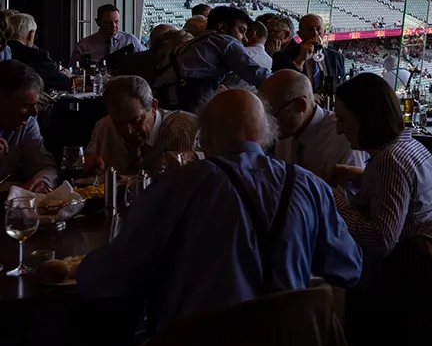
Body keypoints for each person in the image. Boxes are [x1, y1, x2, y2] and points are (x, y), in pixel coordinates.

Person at [77, 90, 362, 328]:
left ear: (206, 136)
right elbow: (348, 268)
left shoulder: (177, 186)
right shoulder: (309, 186)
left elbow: (111, 277)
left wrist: (80, 268)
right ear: (266, 135)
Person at [331, 73, 432, 286]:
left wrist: (332, 199)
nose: (338, 129)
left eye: (343, 119)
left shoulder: (390, 162)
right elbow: (404, 196)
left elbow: (379, 241)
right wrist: (362, 177)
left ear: (366, 118)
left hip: (392, 283)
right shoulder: (410, 147)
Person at [151, 6, 272, 112]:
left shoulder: (197, 41)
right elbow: (254, 72)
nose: (245, 39)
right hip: (185, 101)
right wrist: (278, 82)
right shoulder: (225, 41)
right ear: (223, 27)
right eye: (241, 31)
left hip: (165, 99)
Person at [259, 69, 365, 181]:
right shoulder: (285, 133)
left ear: (300, 105)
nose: (269, 124)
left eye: (274, 115)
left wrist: (313, 186)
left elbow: (353, 196)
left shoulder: (345, 138)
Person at [85, 76, 198, 176]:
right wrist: (88, 164)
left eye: (136, 121)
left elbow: (214, 163)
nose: (129, 131)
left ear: (153, 107)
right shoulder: (104, 127)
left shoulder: (189, 129)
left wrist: (192, 157)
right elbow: (87, 162)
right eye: (119, 124)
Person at [0, 61, 58, 192]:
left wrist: (42, 182)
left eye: (35, 104)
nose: (34, 112)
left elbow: (45, 166)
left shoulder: (26, 124)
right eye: (26, 106)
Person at [272, 13, 347, 93]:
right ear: (300, 34)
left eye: (318, 29)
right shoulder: (283, 56)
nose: (315, 34)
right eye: (310, 29)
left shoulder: (336, 57)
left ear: (324, 32)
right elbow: (282, 85)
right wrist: (300, 60)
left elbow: (342, 89)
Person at [5, 13, 72, 91]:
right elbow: (63, 83)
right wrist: (66, 75)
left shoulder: (3, 52)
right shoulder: (38, 56)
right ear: (31, 34)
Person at [74, 4, 144, 63]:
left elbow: (145, 64)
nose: (113, 26)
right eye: (108, 23)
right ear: (98, 22)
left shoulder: (131, 41)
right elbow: (73, 70)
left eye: (116, 22)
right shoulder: (84, 46)